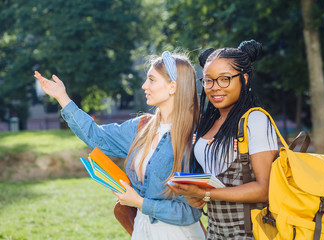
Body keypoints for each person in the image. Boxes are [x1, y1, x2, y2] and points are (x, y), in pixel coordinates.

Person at [34, 51, 205, 240]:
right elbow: (96, 136)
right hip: (141, 230)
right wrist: (62, 97)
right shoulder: (141, 127)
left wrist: (140, 202)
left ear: (172, 87)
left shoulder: (195, 138)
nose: (144, 85)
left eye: (151, 80)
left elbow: (190, 212)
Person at [167, 40, 278, 240]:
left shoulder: (255, 120)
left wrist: (205, 194)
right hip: (216, 232)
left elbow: (264, 189)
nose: (215, 88)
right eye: (208, 80)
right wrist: (194, 195)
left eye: (224, 79)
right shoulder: (209, 123)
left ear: (244, 78)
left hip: (251, 233)